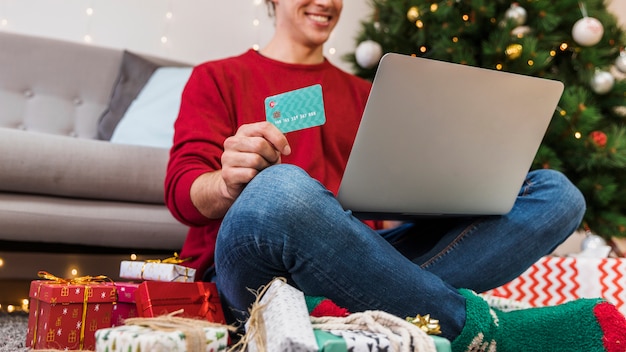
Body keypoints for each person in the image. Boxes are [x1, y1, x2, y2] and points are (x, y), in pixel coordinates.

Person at [165, 0, 626, 350]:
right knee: (281, 190)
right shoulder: (217, 77)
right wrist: (226, 182)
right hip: (251, 269)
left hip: (350, 261)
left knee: (558, 193)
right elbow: (183, 193)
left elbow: (379, 205)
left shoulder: (366, 93)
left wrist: (444, 193)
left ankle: (340, 310)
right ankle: (483, 331)